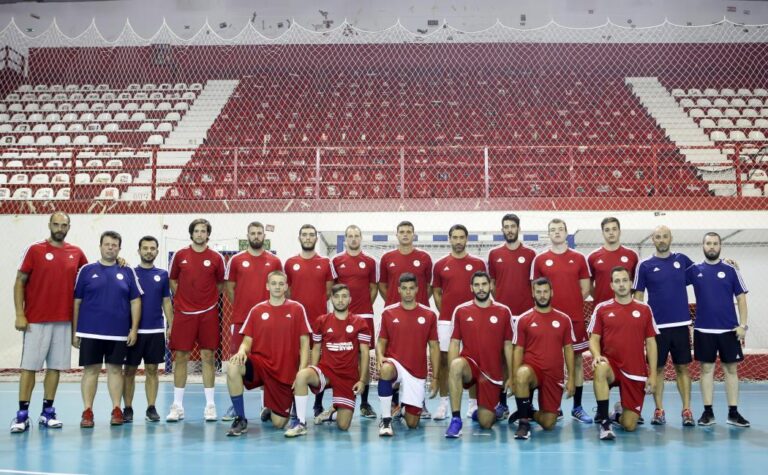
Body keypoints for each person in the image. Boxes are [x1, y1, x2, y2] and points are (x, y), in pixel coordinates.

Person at [11, 212, 88, 433]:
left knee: (54, 368)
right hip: (35, 320)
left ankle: (47, 412)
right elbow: (19, 282)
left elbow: (91, 275)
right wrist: (19, 314)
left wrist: (120, 262)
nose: (59, 228)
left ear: (69, 227)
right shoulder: (34, 250)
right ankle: (22, 415)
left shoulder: (76, 253)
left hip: (64, 321)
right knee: (29, 368)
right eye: (56, 224)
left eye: (64, 225)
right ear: (49, 225)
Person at [224, 271, 311, 436]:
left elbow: (305, 343)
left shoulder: (297, 308)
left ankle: (271, 408)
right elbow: (247, 341)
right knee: (233, 366)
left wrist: (301, 372)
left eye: (281, 284)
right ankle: (240, 418)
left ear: (286, 287)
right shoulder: (257, 310)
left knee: (279, 424)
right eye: (274, 283)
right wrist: (241, 351)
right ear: (267, 286)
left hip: (284, 371)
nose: (277, 287)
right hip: (260, 364)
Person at [73, 231, 142, 428]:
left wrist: (133, 329)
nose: (110, 248)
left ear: (119, 248)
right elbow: (77, 302)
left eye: (114, 245)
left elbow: (135, 301)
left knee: (116, 370)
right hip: (90, 331)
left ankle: (116, 409)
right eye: (107, 244)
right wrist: (75, 331)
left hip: (118, 333)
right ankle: (87, 411)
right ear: (100, 246)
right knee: (90, 371)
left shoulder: (127, 271)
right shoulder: (86, 270)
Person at [284, 284, 371, 437]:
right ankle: (300, 423)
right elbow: (316, 348)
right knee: (302, 375)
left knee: (343, 426)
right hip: (326, 371)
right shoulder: (322, 321)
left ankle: (332, 412)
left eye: (344, 296)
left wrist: (363, 380)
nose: (340, 300)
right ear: (331, 299)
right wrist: (312, 369)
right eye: (336, 297)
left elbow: (364, 353)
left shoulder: (360, 322)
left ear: (350, 299)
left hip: (347, 377)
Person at [633, 225, 695, 426]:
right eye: (658, 237)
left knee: (682, 368)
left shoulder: (682, 260)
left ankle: (687, 410)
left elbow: (703, 273)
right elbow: (638, 296)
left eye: (665, 236)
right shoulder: (644, 265)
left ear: (671, 238)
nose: (661, 240)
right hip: (656, 328)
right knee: (657, 370)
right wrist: (640, 326)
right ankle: (659, 410)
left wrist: (725, 263)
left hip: (681, 325)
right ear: (653, 239)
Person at [531, 218, 592, 423]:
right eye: (553, 230)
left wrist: (570, 304)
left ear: (566, 233)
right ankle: (553, 407)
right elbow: (535, 289)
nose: (557, 232)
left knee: (577, 361)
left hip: (574, 319)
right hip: (547, 321)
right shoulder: (540, 259)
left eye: (560, 229)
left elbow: (585, 289)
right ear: (548, 234)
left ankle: (577, 407)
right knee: (549, 362)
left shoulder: (579, 258)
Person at [687, 232, 750, 427]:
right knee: (706, 370)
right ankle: (708, 413)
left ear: (720, 246)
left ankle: (733, 413)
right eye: (708, 243)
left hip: (729, 330)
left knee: (731, 370)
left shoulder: (731, 270)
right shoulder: (694, 270)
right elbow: (673, 282)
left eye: (715, 243)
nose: (712, 246)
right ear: (703, 246)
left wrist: (743, 325)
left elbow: (741, 298)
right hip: (703, 330)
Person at [589, 266, 658, 441]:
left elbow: (651, 343)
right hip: (612, 365)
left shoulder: (644, 309)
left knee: (629, 425)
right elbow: (594, 339)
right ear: (611, 285)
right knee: (600, 367)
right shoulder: (602, 308)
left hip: (635, 370)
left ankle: (618, 414)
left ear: (631, 283)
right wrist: (596, 355)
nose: (621, 284)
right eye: (617, 281)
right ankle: (604, 421)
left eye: (625, 280)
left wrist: (653, 374)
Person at [167, 218, 226, 422]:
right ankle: (177, 406)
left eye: (203, 231)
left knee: (208, 357)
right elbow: (173, 280)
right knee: (181, 357)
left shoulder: (217, 257)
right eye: (197, 231)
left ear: (208, 234)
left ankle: (210, 406)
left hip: (208, 313)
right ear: (191, 233)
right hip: (184, 314)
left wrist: (206, 300)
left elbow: (220, 284)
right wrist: (184, 299)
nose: (200, 234)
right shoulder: (180, 255)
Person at [223, 221, 283, 421]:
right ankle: (236, 408)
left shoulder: (274, 261)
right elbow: (230, 288)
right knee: (237, 362)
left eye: (259, 233)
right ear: (247, 236)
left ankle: (266, 405)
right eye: (253, 233)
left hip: (269, 323)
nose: (256, 236)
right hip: (241, 321)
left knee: (268, 362)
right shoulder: (236, 260)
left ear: (264, 236)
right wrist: (245, 310)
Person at [444, 271, 514, 438]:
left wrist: (511, 376)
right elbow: (454, 343)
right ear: (471, 288)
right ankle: (456, 420)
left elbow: (508, 345)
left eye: (484, 284)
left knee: (486, 423)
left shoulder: (503, 311)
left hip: (491, 372)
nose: (481, 288)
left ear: (491, 286)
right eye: (477, 285)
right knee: (456, 365)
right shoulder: (461, 310)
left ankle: (482, 412)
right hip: (470, 364)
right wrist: (452, 372)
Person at [378, 220, 433, 418]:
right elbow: (382, 286)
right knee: (390, 356)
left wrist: (416, 304)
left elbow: (428, 287)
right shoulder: (387, 258)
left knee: (418, 355)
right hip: (394, 317)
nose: (405, 234)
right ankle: (393, 402)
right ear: (397, 234)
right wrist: (395, 304)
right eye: (402, 231)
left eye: (409, 231)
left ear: (413, 234)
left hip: (418, 316)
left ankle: (419, 402)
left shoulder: (424, 258)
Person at [432, 224, 486, 420]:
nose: (458, 241)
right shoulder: (440, 264)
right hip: (446, 321)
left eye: (461, 237)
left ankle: (473, 405)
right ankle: (443, 404)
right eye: (454, 237)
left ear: (467, 239)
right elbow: (437, 293)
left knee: (474, 361)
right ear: (449, 239)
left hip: (473, 321)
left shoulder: (478, 263)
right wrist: (449, 313)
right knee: (445, 362)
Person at [511, 277, 576, 440]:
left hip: (553, 374)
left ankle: (528, 412)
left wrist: (571, 378)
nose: (542, 295)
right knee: (522, 374)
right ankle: (523, 424)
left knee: (548, 423)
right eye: (538, 292)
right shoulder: (524, 319)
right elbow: (518, 349)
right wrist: (514, 377)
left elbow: (568, 349)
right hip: (533, 370)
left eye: (545, 291)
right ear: (533, 293)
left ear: (551, 293)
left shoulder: (564, 319)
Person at [376, 273, 440, 436]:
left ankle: (403, 408)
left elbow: (434, 347)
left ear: (417, 289)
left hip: (416, 371)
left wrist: (435, 378)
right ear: (399, 290)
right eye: (404, 288)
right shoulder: (388, 312)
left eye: (411, 288)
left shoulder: (429, 315)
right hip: (395, 363)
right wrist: (380, 356)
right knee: (385, 369)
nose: (408, 292)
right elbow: (381, 341)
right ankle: (386, 420)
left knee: (412, 424)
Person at [488, 213, 536, 418]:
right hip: (503, 316)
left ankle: (526, 404)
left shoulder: (531, 254)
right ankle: (502, 403)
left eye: (512, 226)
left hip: (526, 315)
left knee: (526, 358)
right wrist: (500, 307)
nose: (509, 230)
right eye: (506, 227)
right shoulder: (494, 254)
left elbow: (535, 285)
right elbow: (492, 284)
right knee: (503, 359)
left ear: (518, 228)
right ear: (502, 230)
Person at [285, 224, 335, 418]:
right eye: (304, 235)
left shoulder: (325, 262)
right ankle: (292, 404)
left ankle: (317, 403)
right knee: (294, 361)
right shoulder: (290, 263)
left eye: (311, 235)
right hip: (295, 322)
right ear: (299, 238)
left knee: (319, 362)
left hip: (319, 321)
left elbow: (328, 291)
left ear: (316, 238)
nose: (307, 238)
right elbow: (287, 291)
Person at [122, 236, 173, 423]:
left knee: (152, 370)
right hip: (133, 332)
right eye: (145, 248)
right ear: (139, 251)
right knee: (129, 371)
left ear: (157, 252)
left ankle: (151, 408)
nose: (149, 251)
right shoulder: (129, 273)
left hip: (155, 331)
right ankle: (128, 408)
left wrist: (171, 325)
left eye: (152, 248)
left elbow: (166, 302)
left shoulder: (163, 275)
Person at [331, 225, 378, 419]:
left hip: (364, 316)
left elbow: (373, 288)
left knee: (363, 358)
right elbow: (334, 290)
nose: (353, 239)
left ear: (361, 238)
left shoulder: (370, 261)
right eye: (350, 236)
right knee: (339, 356)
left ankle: (364, 404)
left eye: (356, 235)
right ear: (345, 239)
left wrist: (362, 308)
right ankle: (337, 402)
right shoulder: (336, 261)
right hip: (341, 318)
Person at [588, 217, 639, 305]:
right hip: (601, 308)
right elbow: (588, 285)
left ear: (619, 231)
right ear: (603, 233)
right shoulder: (592, 257)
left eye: (614, 229)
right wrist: (599, 297)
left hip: (626, 308)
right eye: (607, 230)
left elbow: (636, 283)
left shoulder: (632, 255)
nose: (611, 232)